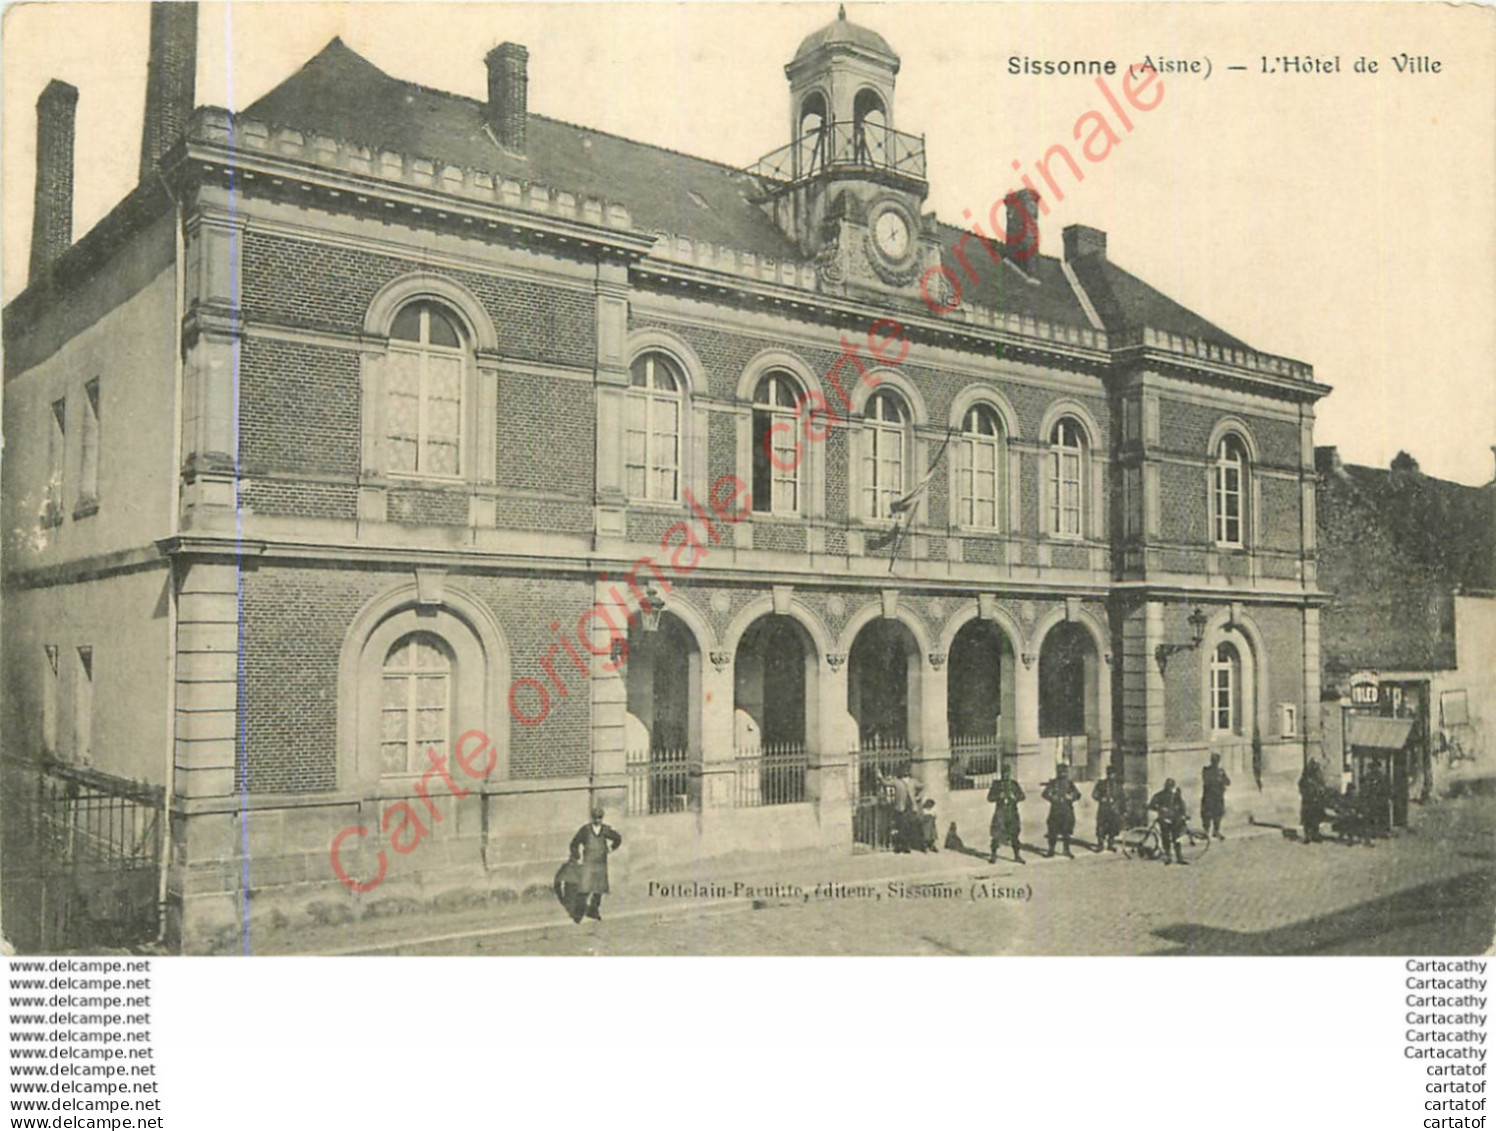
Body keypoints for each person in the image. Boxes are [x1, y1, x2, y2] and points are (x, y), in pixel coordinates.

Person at [568, 805, 622, 922]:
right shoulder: (585, 830)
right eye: (595, 818)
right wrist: (576, 855)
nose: (597, 820)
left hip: (601, 862)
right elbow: (574, 843)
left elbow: (617, 838)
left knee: (599, 889)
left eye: (600, 818)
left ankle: (594, 910)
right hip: (588, 862)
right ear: (592, 818)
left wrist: (611, 848)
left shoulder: (605, 830)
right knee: (585, 888)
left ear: (602, 818)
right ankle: (578, 913)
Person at [987, 762, 1025, 865]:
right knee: (996, 835)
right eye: (1003, 773)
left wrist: (1015, 797)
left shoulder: (1014, 784)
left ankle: (1017, 856)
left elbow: (1022, 796)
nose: (1005, 775)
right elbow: (989, 798)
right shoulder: (996, 784)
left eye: (1007, 773)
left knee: (1014, 835)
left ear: (1010, 774)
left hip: (1012, 812)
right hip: (1000, 813)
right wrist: (999, 796)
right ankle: (993, 855)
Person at [1042, 763, 1081, 858]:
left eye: (1064, 772)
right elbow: (1045, 793)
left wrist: (1071, 797)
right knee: (1052, 831)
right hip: (1055, 810)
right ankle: (1051, 850)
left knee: (1066, 832)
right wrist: (1052, 797)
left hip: (1066, 810)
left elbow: (1078, 794)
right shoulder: (1053, 783)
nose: (1062, 774)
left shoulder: (1070, 783)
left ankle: (1066, 849)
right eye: (1060, 772)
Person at [1148, 778, 1189, 866]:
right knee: (1165, 838)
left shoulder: (1176, 796)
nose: (1170, 788)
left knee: (1177, 839)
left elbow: (1182, 805)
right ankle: (1168, 856)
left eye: (1171, 786)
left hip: (1175, 819)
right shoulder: (1159, 795)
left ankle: (1179, 857)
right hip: (1164, 820)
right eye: (1168, 786)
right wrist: (1159, 808)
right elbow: (1151, 805)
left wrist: (1183, 815)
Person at [1091, 765, 1125, 852]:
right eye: (1109, 774)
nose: (1111, 776)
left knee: (1113, 827)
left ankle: (1111, 844)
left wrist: (1122, 810)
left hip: (1114, 809)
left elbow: (1123, 798)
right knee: (1101, 827)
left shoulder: (1118, 786)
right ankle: (1100, 844)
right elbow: (1094, 794)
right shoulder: (1101, 784)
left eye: (1113, 774)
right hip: (1104, 808)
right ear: (1107, 774)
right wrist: (1100, 798)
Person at [1200, 753, 1230, 839]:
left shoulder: (1221, 771)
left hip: (1218, 797)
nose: (1215, 762)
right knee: (1207, 814)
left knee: (1218, 814)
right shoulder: (1207, 770)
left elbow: (1228, 782)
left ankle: (1216, 831)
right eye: (1214, 761)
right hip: (1209, 796)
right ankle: (1206, 831)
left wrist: (1222, 780)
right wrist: (1220, 781)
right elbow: (1207, 781)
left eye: (1216, 761)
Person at [1298, 760, 1327, 844]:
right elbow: (1302, 788)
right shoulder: (1305, 779)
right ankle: (1307, 835)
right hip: (1308, 802)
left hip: (1316, 802)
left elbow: (1322, 787)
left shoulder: (1318, 779)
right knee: (1307, 820)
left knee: (1315, 819)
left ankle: (1315, 834)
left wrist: (1320, 792)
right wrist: (1308, 794)